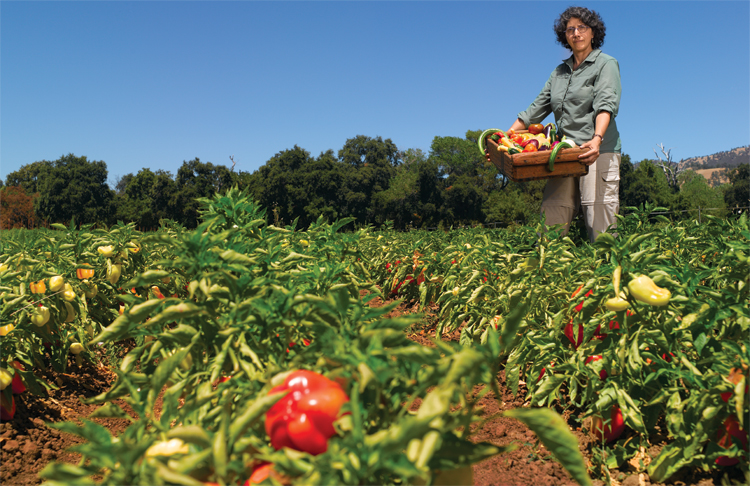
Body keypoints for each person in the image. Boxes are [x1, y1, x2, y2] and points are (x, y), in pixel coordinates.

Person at [507, 6, 622, 243]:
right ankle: (547, 270)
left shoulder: (605, 64)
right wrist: (502, 139)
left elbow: (605, 105)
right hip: (564, 153)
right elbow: (534, 111)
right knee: (553, 216)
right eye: (570, 29)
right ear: (564, 36)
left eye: (582, 27)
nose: (576, 33)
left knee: (599, 219)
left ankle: (606, 273)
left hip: (597, 151)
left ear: (593, 33)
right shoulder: (559, 73)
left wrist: (597, 138)